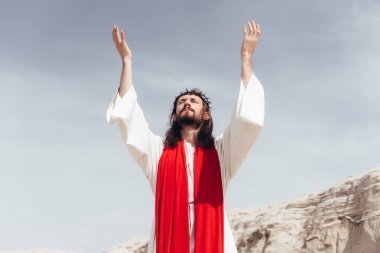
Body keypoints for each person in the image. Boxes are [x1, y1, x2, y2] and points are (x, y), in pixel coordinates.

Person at [106, 19, 265, 253]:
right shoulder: (157, 153)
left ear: (206, 115)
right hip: (167, 238)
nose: (187, 103)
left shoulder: (222, 153)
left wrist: (246, 58)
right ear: (174, 117)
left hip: (214, 239)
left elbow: (245, 122)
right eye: (182, 102)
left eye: (193, 101)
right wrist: (126, 62)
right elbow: (130, 121)